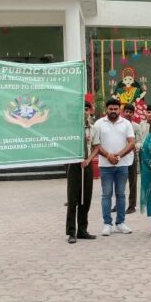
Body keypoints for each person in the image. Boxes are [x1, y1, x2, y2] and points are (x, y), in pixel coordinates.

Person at [93, 98, 136, 236]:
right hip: (105, 166)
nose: (113, 111)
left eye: (115, 109)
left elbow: (132, 143)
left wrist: (118, 156)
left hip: (122, 165)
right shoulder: (99, 123)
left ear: (119, 110)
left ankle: (120, 223)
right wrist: (108, 156)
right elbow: (95, 144)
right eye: (110, 109)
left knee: (121, 194)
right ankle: (107, 224)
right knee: (106, 195)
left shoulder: (126, 123)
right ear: (107, 109)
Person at [65, 102, 98, 243]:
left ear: (90, 111)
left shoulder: (93, 129)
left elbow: (96, 147)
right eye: (81, 109)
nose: (84, 112)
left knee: (86, 199)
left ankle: (82, 230)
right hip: (74, 165)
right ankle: (71, 232)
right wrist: (75, 157)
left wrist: (88, 160)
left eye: (86, 109)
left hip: (87, 164)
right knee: (73, 199)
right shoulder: (71, 129)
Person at [123, 104, 142, 215]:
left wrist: (135, 147)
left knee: (132, 181)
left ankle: (132, 205)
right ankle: (118, 204)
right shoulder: (118, 125)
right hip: (120, 156)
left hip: (132, 155)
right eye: (126, 111)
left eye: (130, 112)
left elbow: (139, 141)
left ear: (133, 114)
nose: (128, 114)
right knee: (119, 181)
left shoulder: (136, 127)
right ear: (123, 112)